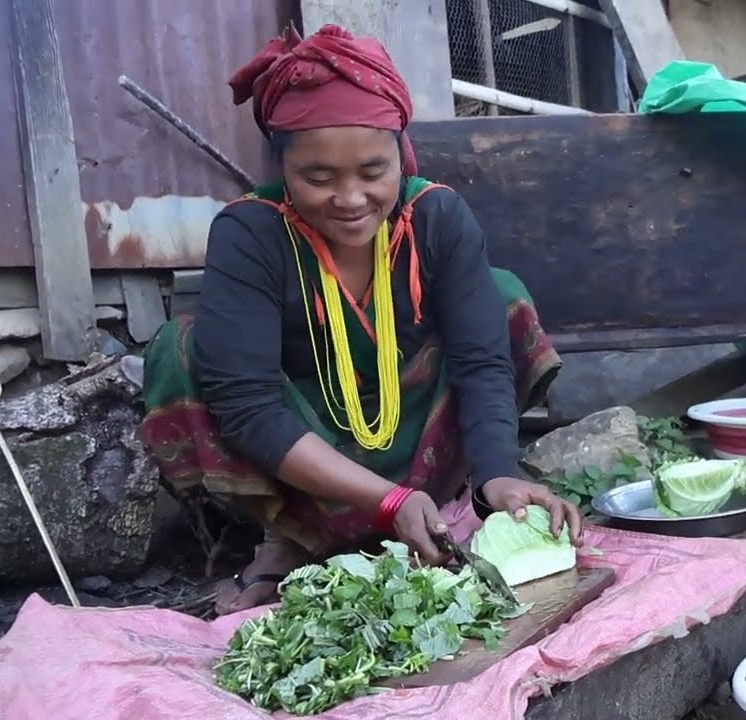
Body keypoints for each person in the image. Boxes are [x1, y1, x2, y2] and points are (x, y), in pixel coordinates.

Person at [138, 24, 583, 615]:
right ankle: (289, 536)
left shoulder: (437, 217)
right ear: (282, 166)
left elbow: (480, 361)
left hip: (414, 423)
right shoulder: (250, 232)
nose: (350, 199)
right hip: (303, 439)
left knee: (501, 296)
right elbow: (246, 404)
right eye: (318, 178)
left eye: (373, 173)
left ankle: (434, 500)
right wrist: (387, 501)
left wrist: (497, 474)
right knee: (184, 346)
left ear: (401, 154)